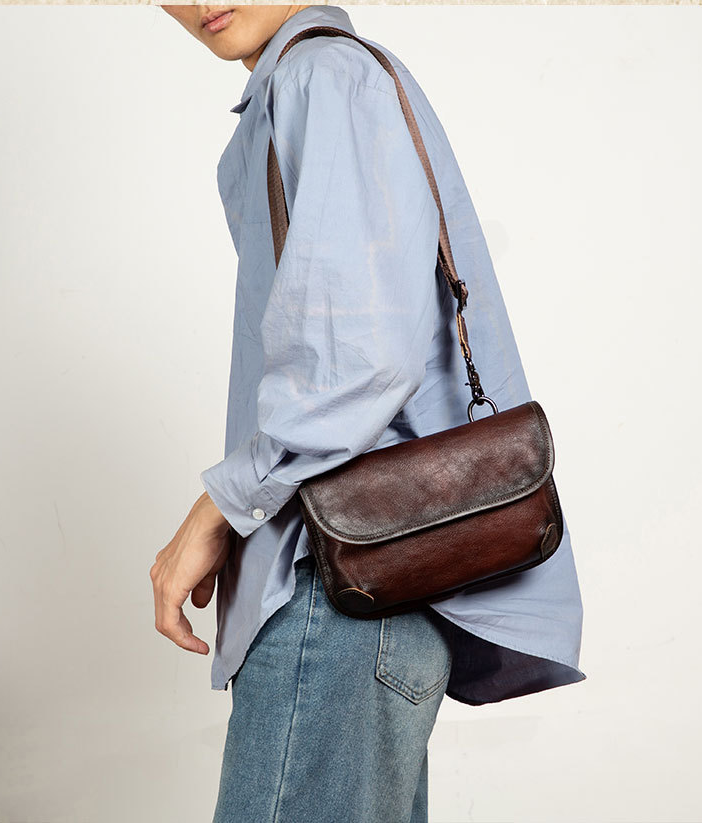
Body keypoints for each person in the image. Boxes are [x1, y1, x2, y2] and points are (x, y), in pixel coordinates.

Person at [151, 5, 587, 821]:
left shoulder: (323, 77)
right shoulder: (309, 85)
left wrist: (219, 508)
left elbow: (357, 361)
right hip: (365, 593)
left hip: (336, 594)